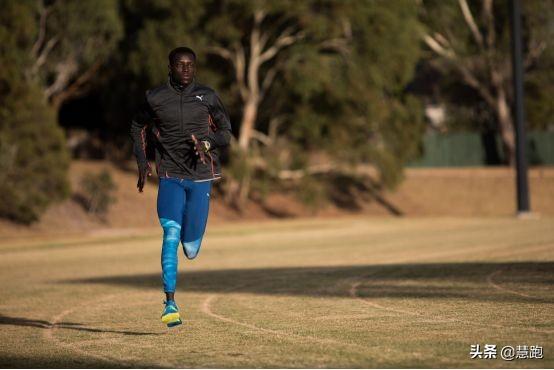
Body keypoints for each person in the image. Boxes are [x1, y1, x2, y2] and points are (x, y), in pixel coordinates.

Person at [130, 46, 232, 327]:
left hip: (200, 178)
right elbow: (137, 126)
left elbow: (226, 132)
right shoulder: (155, 98)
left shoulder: (208, 96)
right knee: (170, 234)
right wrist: (142, 161)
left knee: (191, 248)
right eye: (180, 65)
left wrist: (207, 143)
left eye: (190, 65)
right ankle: (170, 302)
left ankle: (191, 243)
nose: (185, 69)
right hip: (170, 176)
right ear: (170, 67)